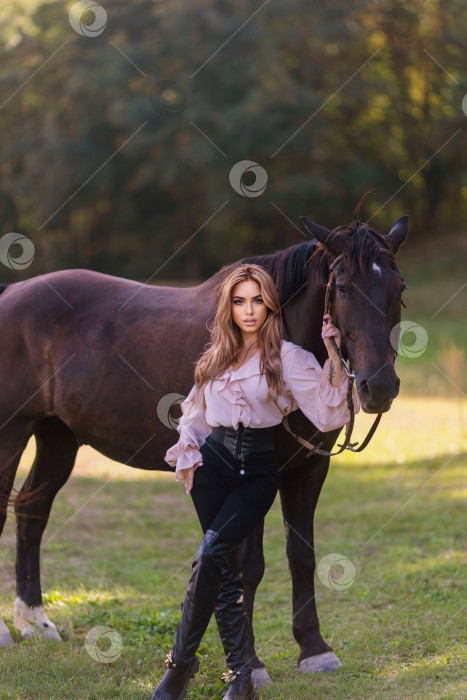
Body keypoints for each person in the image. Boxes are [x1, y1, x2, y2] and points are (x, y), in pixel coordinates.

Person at [150, 263, 359, 700]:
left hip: (257, 470)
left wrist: (333, 352)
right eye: (240, 301)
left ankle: (179, 667)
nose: (249, 310)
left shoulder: (287, 357)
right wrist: (188, 450)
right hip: (211, 465)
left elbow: (328, 410)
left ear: (270, 305)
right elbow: (195, 413)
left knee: (209, 555)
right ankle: (242, 680)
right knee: (225, 572)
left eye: (257, 301)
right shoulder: (216, 356)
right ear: (229, 307)